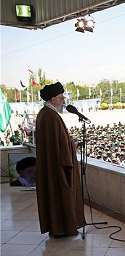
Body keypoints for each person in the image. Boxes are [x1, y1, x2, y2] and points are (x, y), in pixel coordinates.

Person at [35, 82, 86, 238]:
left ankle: (57, 227)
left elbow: (56, 143)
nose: (64, 101)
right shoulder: (51, 117)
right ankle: (63, 228)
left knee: (54, 197)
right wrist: (73, 146)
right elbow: (61, 147)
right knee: (61, 196)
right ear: (53, 99)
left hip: (51, 165)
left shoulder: (44, 114)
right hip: (57, 168)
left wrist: (68, 144)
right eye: (61, 98)